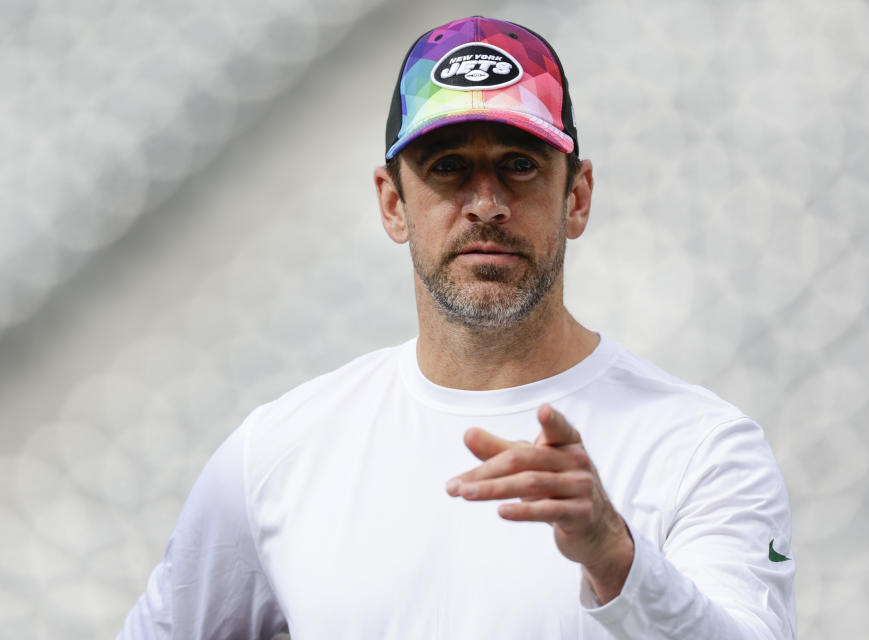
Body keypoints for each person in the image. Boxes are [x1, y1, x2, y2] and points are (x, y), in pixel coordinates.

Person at [119, 16, 796, 639]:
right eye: (449, 168)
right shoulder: (276, 454)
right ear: (392, 204)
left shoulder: (702, 449)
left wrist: (617, 558)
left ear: (578, 197)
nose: (486, 205)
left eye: (520, 165)